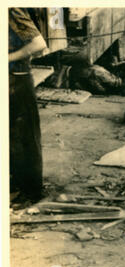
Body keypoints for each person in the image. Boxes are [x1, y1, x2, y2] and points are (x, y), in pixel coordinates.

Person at [9, 8, 48, 203]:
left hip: (17, 79)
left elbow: (38, 44)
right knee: (11, 138)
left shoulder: (12, 9)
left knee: (24, 137)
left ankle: (31, 193)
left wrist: (7, 58)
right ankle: (16, 187)